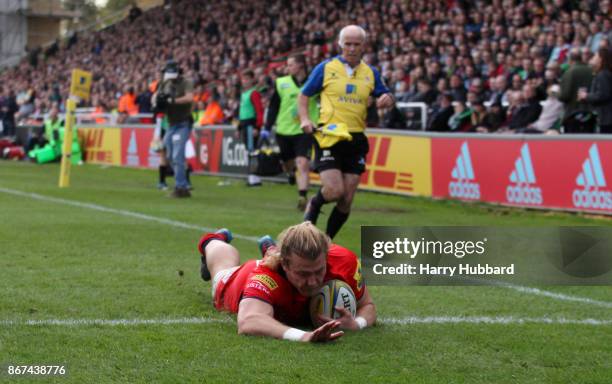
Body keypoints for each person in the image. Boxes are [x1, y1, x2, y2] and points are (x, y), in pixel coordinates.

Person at [197, 221, 376, 342]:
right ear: (285, 264)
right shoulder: (265, 276)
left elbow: (367, 305)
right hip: (238, 280)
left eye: (319, 271)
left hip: (280, 262)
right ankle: (213, 240)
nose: (313, 281)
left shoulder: (345, 261)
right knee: (222, 268)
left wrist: (357, 324)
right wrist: (304, 336)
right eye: (303, 274)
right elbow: (248, 321)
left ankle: (270, 248)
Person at [298, 25, 394, 239]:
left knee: (347, 198)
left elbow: (385, 95)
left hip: (356, 138)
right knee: (334, 190)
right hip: (329, 136)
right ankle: (313, 206)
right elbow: (303, 96)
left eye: (356, 44)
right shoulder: (326, 68)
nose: (351, 48)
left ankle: (327, 242)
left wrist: (387, 99)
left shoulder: (371, 73)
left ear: (363, 46)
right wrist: (305, 119)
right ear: (340, 44)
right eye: (348, 44)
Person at [264, 54, 318, 210]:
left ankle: (302, 196)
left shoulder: (314, 83)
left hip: (304, 130)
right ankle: (289, 173)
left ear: (301, 65)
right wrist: (267, 128)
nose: (287, 68)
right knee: (288, 164)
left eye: (290, 65)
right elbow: (274, 106)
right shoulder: (281, 83)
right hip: (284, 129)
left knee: (303, 163)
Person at [152, 60, 194, 198]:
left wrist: (172, 101)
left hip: (183, 123)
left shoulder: (187, 82)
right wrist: (156, 102)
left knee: (177, 155)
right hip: (171, 124)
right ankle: (180, 183)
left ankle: (181, 188)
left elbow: (189, 98)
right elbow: (155, 97)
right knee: (169, 154)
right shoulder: (164, 83)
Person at [238, 70, 264, 187]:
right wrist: (238, 128)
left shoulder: (254, 93)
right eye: (243, 79)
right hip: (245, 125)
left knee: (252, 151)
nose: (244, 81)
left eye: (247, 79)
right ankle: (252, 177)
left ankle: (255, 179)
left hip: (251, 126)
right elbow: (242, 113)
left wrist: (257, 127)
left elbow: (259, 111)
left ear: (252, 80)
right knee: (250, 151)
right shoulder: (244, 93)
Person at [578, 47, 612, 133]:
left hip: (606, 118)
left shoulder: (603, 74)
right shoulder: (603, 73)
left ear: (601, 59)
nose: (592, 58)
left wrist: (586, 95)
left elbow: (603, 95)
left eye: (595, 56)